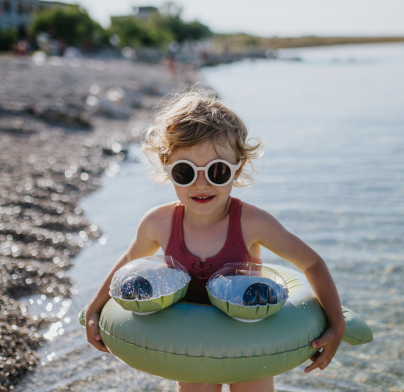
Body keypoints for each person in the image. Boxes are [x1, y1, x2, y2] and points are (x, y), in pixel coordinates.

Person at [85, 90, 346, 392]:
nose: (201, 184)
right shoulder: (158, 223)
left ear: (239, 168)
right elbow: (128, 264)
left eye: (217, 171)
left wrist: (336, 324)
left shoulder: (252, 222)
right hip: (192, 340)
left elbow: (311, 262)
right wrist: (94, 309)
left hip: (249, 339)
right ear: (166, 168)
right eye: (184, 172)